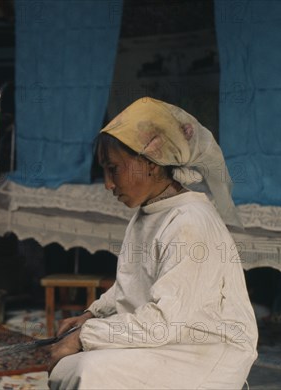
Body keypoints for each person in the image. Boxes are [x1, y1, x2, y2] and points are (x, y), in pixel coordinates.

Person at [48, 97, 258, 389]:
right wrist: (91, 314)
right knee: (71, 365)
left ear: (150, 164)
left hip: (205, 351)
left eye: (114, 169)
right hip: (169, 338)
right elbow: (131, 286)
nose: (108, 184)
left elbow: (163, 323)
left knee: (88, 370)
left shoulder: (190, 222)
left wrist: (86, 336)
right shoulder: (148, 213)